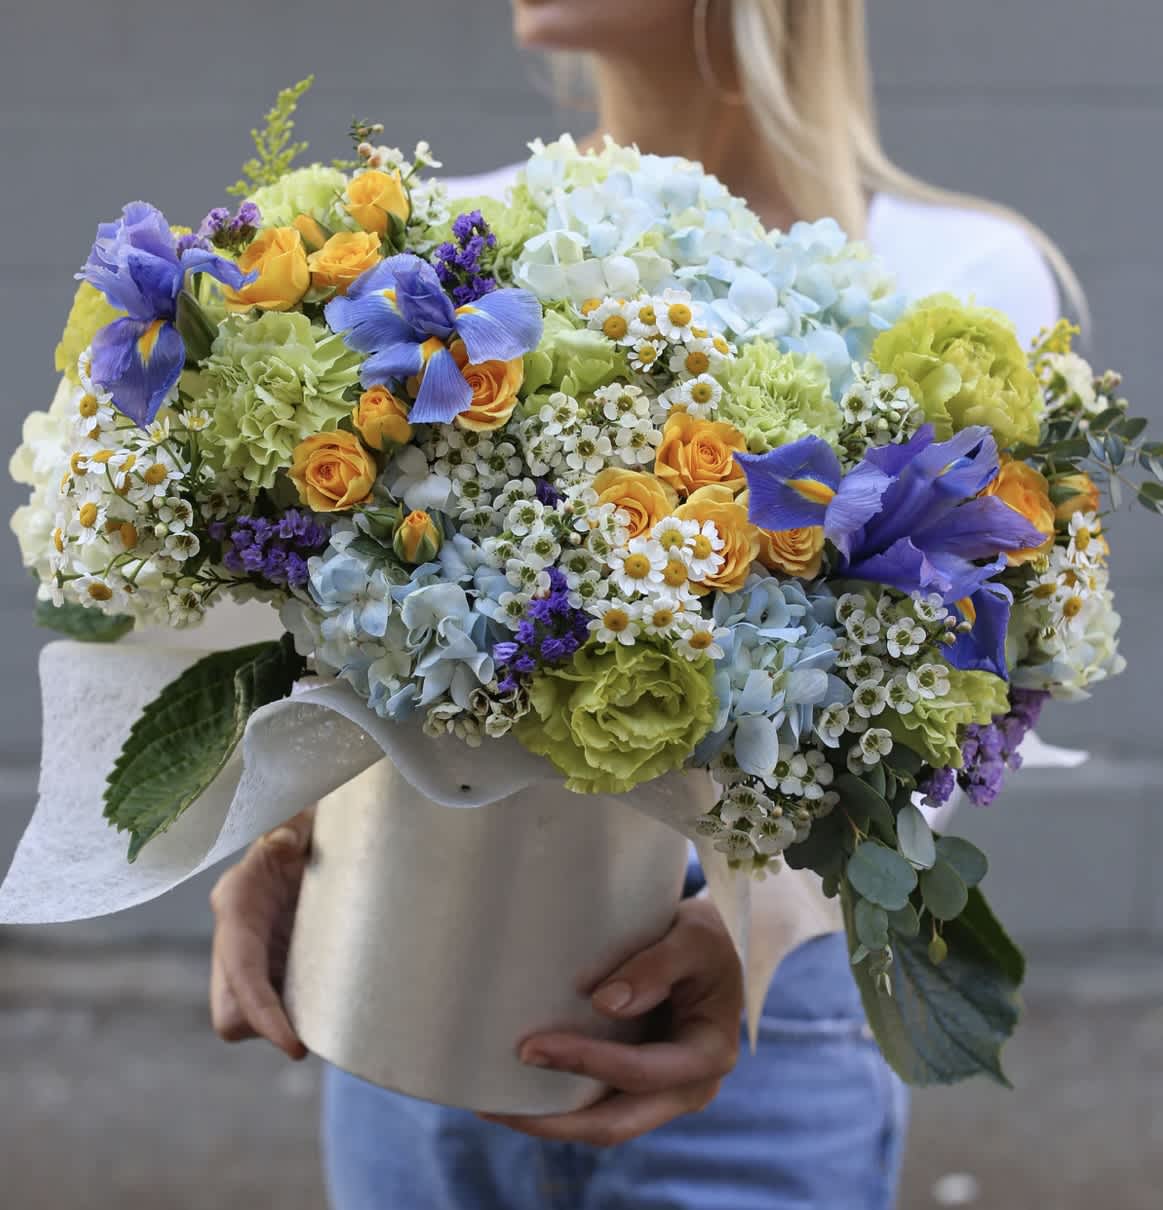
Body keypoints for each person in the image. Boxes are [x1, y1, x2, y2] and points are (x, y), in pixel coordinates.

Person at [210, 2, 1072, 1206]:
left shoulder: (957, 286)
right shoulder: (441, 242)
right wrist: (277, 830)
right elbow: (335, 640)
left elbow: (966, 707)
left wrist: (748, 930)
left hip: (759, 1030)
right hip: (404, 978)